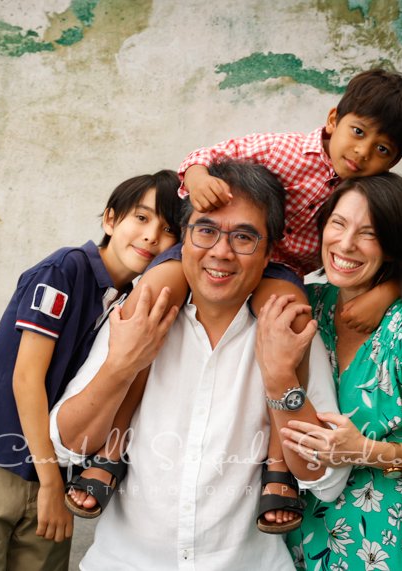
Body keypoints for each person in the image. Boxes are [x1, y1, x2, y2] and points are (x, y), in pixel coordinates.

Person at [69, 68, 402, 532]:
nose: (362, 152)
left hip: (274, 271)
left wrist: (384, 292)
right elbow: (207, 156)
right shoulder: (287, 151)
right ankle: (110, 449)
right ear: (332, 119)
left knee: (290, 323)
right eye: (357, 133)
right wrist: (198, 178)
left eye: (382, 149)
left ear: (394, 160)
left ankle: (277, 464)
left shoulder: (361, 196)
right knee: (151, 304)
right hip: (221, 250)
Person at [49, 160, 352, 569]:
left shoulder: (289, 331)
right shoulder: (141, 316)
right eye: (206, 230)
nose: (222, 252)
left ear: (268, 254)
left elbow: (327, 482)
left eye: (244, 237)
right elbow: (66, 446)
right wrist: (121, 366)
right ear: (184, 239)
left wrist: (281, 379)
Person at [0, 170, 183, 570]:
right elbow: (26, 378)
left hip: (57, 472)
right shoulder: (66, 270)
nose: (151, 236)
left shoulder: (130, 302)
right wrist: (52, 482)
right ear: (110, 220)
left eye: (168, 228)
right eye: (141, 218)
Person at [278, 173, 402, 570]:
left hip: (390, 541)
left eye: (368, 233)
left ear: (393, 247)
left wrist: (368, 452)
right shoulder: (308, 305)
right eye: (338, 223)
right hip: (303, 538)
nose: (346, 243)